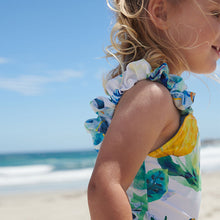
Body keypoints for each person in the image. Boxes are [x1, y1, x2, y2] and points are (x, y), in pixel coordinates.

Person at [84, 0, 220, 219]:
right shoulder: (152, 96)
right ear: (161, 13)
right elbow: (104, 187)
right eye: (216, 13)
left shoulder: (165, 97)